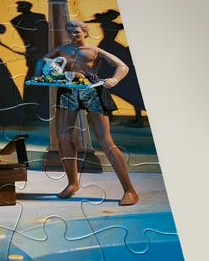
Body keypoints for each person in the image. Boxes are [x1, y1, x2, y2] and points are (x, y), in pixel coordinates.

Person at [34, 21, 139, 205]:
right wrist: (37, 75)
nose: (73, 35)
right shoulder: (62, 49)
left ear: (85, 33)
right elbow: (41, 61)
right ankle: (72, 184)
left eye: (77, 32)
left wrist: (115, 79)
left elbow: (123, 66)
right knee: (63, 135)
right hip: (68, 90)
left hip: (92, 90)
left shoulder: (94, 50)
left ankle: (129, 190)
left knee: (105, 139)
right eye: (70, 32)